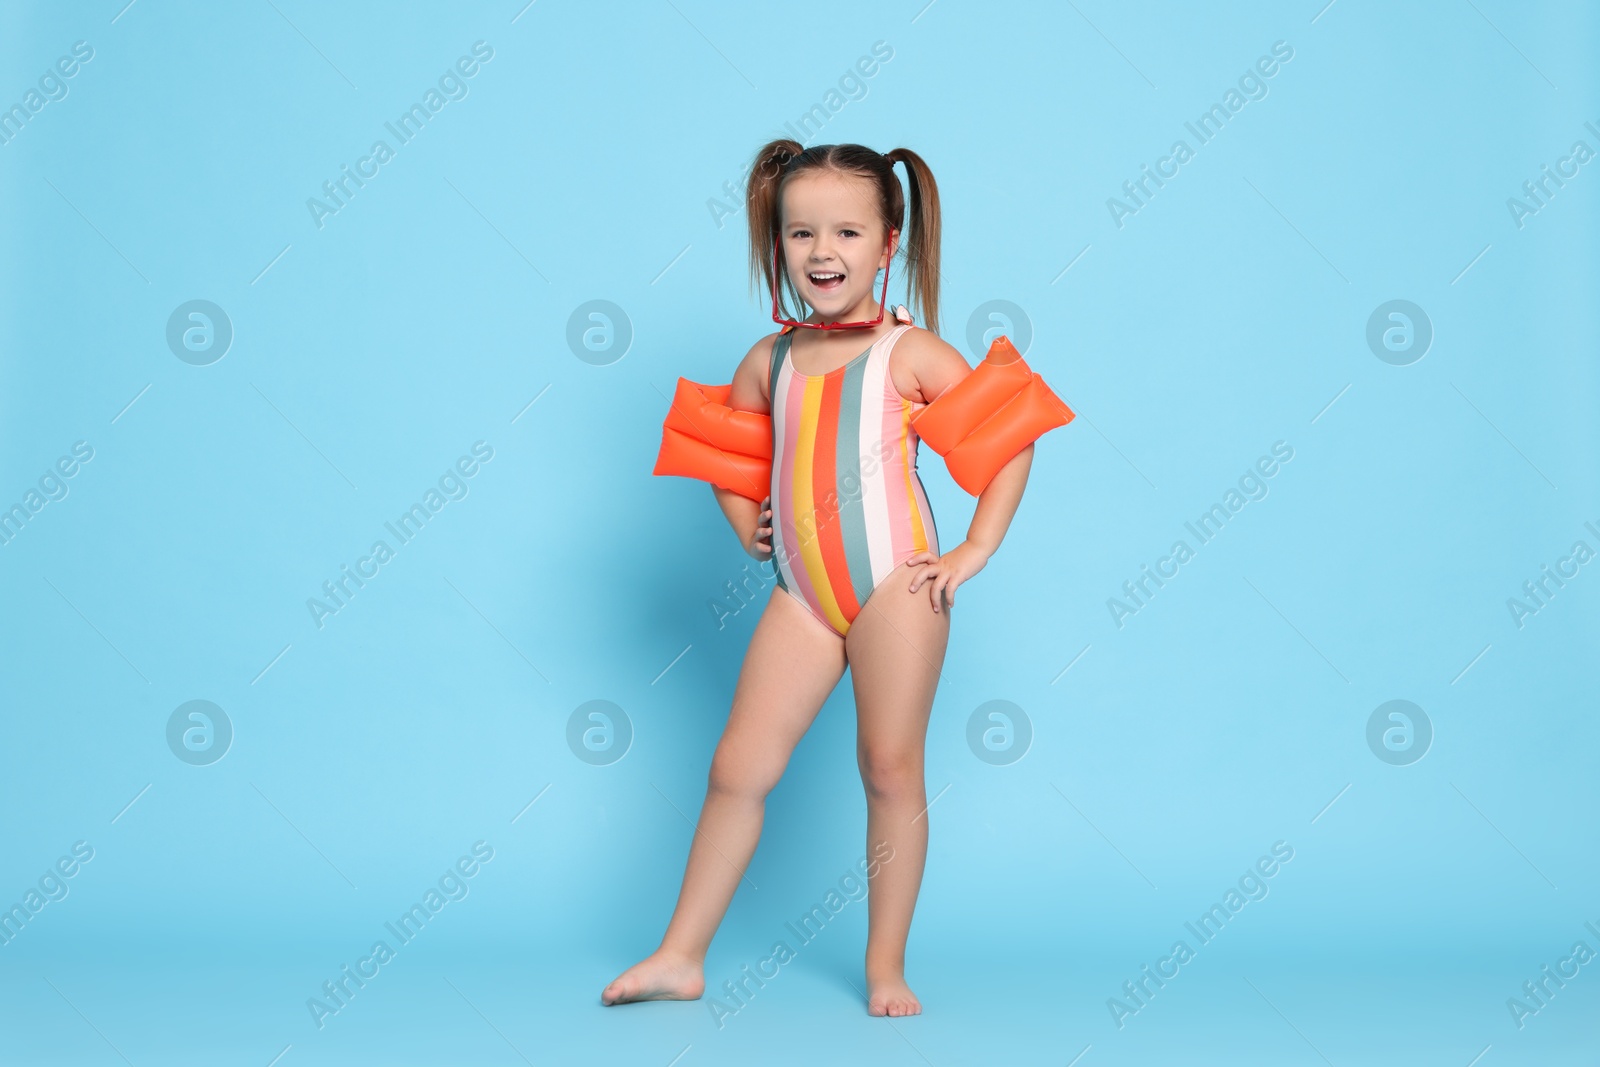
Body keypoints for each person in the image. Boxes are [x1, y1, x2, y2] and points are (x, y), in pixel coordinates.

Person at [606, 140, 1062, 1017]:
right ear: (775, 244)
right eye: (801, 232)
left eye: (848, 232)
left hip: (898, 588)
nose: (823, 251)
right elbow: (730, 455)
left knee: (888, 768)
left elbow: (1012, 440)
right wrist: (751, 529)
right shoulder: (768, 361)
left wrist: (972, 551)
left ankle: (886, 965)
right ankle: (679, 953)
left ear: (889, 244)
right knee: (737, 766)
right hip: (804, 596)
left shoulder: (910, 352)